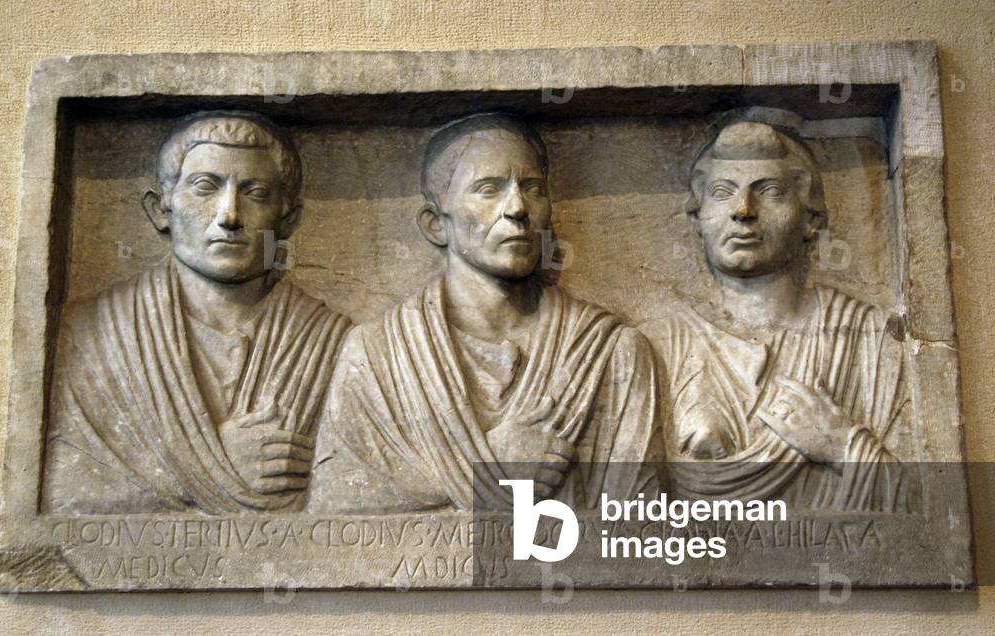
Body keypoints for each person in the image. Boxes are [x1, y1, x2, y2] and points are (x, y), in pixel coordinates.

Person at [306, 113, 662, 513]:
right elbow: (338, 523)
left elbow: (639, 536)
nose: (517, 209)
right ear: (436, 224)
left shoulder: (612, 354)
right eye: (488, 189)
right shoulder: (377, 357)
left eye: (532, 188)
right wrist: (488, 470)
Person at [42, 111, 351, 514]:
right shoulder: (92, 335)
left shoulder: (334, 342)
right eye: (205, 187)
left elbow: (356, 488)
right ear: (160, 209)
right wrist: (214, 467)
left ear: (289, 217)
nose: (229, 216)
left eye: (255, 192)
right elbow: (60, 491)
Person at [656, 114, 914, 511]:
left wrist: (842, 446)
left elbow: (935, 514)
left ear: (810, 217)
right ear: (697, 216)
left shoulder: (870, 339)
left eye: (771, 191)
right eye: (723, 192)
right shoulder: (657, 345)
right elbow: (618, 511)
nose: (743, 210)